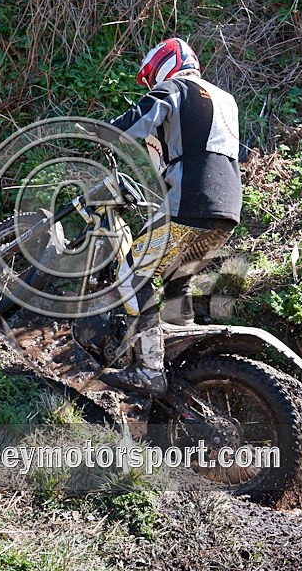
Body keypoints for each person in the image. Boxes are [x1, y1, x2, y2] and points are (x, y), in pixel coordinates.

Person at [94, 37, 242, 396]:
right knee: (177, 281)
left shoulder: (177, 86)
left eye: (151, 78)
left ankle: (148, 369)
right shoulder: (225, 100)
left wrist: (99, 130)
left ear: (165, 64)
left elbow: (134, 124)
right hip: (225, 213)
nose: (151, 85)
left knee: (132, 274)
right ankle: (185, 362)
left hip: (189, 205)